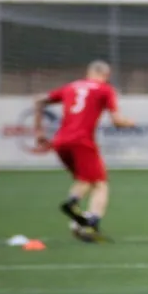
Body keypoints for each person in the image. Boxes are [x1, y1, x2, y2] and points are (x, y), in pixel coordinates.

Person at [33, 60, 135, 241]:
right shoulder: (105, 89)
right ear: (106, 74)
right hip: (82, 142)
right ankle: (85, 216)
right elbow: (117, 121)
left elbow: (39, 100)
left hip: (60, 142)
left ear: (88, 72)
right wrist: (130, 123)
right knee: (101, 183)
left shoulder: (71, 87)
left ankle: (80, 220)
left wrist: (39, 131)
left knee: (86, 179)